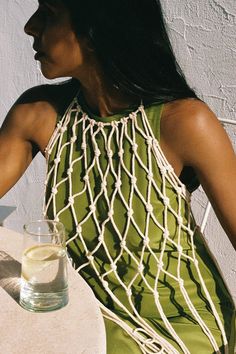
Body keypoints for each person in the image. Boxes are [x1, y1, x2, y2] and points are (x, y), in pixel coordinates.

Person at [0, 0, 235, 352]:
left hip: (180, 326)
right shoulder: (38, 114)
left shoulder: (184, 122)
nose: (30, 27)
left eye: (48, 13)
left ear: (97, 30)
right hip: (85, 311)